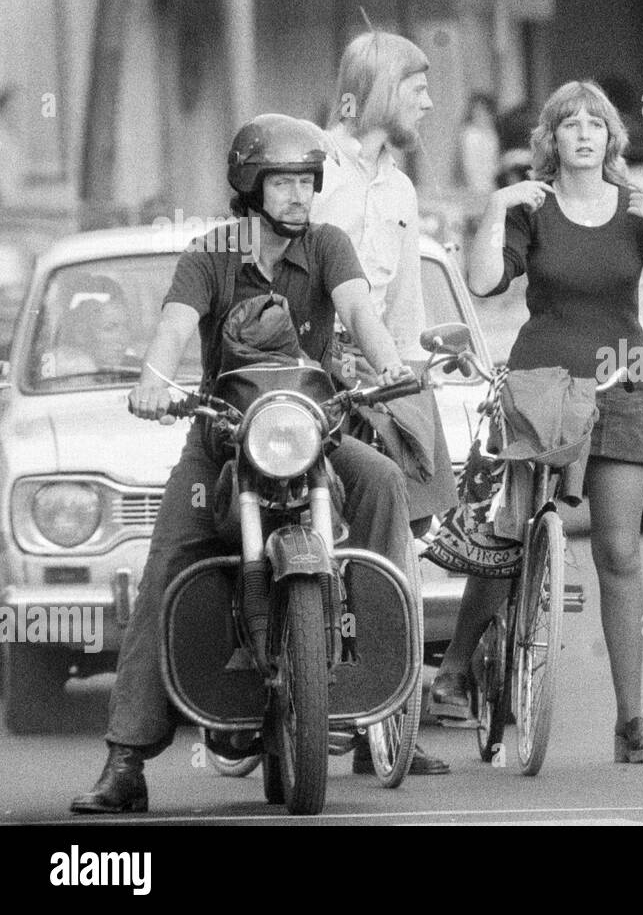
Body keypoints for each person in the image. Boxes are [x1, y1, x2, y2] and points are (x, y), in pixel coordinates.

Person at [70, 114, 420, 813]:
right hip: (224, 440)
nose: (297, 195)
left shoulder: (328, 246)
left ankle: (378, 660)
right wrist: (152, 378)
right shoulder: (211, 252)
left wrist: (392, 364)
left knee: (380, 478)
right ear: (249, 186)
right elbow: (174, 322)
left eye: (305, 181)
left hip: (313, 431)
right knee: (168, 559)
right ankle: (125, 762)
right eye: (282, 181)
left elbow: (360, 309)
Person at [434, 80, 643, 762]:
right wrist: (496, 206)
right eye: (569, 124)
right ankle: (456, 667)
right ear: (550, 140)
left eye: (595, 123)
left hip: (619, 382)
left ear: (612, 136)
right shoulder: (534, 207)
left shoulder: (638, 208)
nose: (583, 133)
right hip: (540, 385)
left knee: (619, 550)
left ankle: (632, 722)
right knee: (510, 530)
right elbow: (484, 282)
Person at [311, 29, 456, 777]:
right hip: (308, 384)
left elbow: (399, 312)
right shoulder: (309, 168)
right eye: (416, 87)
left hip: (383, 379)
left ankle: (391, 719)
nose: (429, 101)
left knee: (403, 544)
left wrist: (412, 390)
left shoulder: (400, 190)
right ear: (374, 90)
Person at [455, 91, 501, 195]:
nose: (480, 115)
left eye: (484, 112)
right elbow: (469, 167)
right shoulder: (470, 134)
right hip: (475, 188)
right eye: (477, 112)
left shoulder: (492, 133)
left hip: (491, 185)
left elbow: (494, 162)